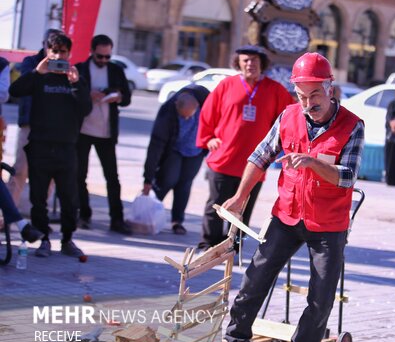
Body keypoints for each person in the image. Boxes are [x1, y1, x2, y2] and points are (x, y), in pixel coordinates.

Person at [201, 52, 365, 342]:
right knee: (255, 279)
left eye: (314, 95)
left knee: (321, 296)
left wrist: (312, 162)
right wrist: (241, 195)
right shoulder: (288, 116)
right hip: (287, 215)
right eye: (302, 96)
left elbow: (347, 177)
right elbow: (260, 156)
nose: (308, 103)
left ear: (330, 89)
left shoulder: (352, 125)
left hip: (328, 224)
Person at [196, 45, 294, 249]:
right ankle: (208, 245)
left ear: (262, 64)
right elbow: (207, 113)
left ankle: (234, 246)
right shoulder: (226, 85)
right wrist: (208, 138)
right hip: (224, 158)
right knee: (217, 204)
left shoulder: (274, 89)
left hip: (256, 163)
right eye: (246, 60)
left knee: (244, 208)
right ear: (239, 63)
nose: (251, 64)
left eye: (255, 61)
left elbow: (290, 117)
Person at [9, 32, 92, 258]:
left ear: (69, 53)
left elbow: (86, 109)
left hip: (66, 147)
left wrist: (76, 85)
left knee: (69, 197)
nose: (58, 56)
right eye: (54, 51)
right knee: (39, 198)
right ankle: (44, 239)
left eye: (62, 52)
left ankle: (67, 239)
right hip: (40, 146)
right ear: (47, 51)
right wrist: (37, 73)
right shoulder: (38, 75)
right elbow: (15, 91)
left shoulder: (75, 77)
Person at [75, 34, 132, 235]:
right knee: (79, 175)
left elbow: (127, 98)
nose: (104, 61)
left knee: (112, 177)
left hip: (107, 132)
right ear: (92, 52)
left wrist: (117, 96)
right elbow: (72, 94)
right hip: (83, 129)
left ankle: (117, 219)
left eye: (107, 57)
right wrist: (87, 95)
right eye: (100, 57)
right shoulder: (81, 69)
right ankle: (84, 214)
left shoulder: (116, 70)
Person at [142, 84, 210, 235]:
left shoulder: (207, 101)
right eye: (182, 116)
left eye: (189, 116)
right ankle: (149, 214)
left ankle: (177, 221)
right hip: (174, 149)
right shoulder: (167, 112)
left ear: (198, 107)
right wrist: (147, 178)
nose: (186, 119)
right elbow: (155, 146)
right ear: (176, 106)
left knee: (184, 184)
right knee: (167, 179)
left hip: (196, 151)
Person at [7, 29, 63, 206]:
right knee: (20, 170)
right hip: (30, 124)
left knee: (48, 173)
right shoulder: (30, 62)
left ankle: (39, 215)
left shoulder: (64, 66)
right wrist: (41, 71)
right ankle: (7, 214)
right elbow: (22, 87)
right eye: (51, 47)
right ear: (44, 45)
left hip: (53, 128)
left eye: (59, 49)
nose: (55, 52)